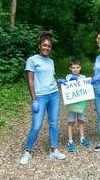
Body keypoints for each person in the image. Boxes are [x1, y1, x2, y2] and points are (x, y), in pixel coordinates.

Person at [19, 31, 66, 165]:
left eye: (49, 46)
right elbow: (30, 81)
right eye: (44, 45)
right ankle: (27, 152)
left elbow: (49, 78)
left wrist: (59, 81)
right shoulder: (32, 60)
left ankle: (54, 150)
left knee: (53, 123)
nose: (46, 48)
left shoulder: (51, 61)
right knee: (37, 125)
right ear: (39, 45)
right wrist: (34, 99)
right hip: (40, 96)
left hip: (54, 94)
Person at [58, 59, 90, 152]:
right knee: (71, 122)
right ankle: (70, 141)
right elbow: (67, 86)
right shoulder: (68, 77)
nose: (75, 69)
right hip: (72, 103)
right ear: (70, 68)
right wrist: (68, 82)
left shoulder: (83, 77)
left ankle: (82, 138)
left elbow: (86, 88)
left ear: (80, 68)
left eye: (77, 67)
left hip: (81, 103)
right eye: (73, 68)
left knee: (81, 120)